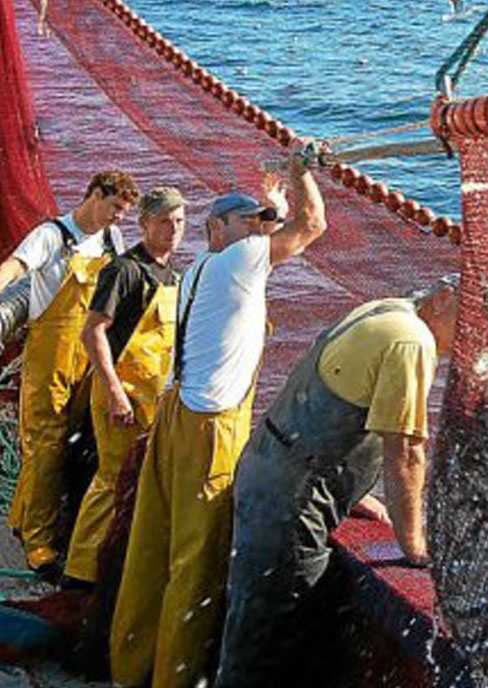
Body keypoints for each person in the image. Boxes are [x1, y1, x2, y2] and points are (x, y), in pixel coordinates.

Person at [109, 145, 326, 688]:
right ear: (217, 228)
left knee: (150, 545)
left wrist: (268, 203)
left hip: (174, 416)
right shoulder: (240, 259)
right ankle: (174, 680)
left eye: (259, 223)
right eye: (248, 222)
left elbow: (277, 229)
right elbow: (313, 225)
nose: (259, 230)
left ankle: (127, 666)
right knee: (196, 558)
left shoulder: (201, 268)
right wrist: (299, 176)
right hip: (210, 425)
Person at [213, 274, 460, 688]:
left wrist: (351, 490)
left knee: (249, 618)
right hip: (292, 498)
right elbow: (406, 452)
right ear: (443, 298)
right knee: (274, 631)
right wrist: (413, 542)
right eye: (466, 319)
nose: (467, 336)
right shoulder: (411, 341)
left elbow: (330, 397)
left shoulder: (383, 310)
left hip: (268, 468)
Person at [0, 169, 139, 580]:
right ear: (94, 194)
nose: (118, 219)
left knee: (73, 440)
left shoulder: (111, 241)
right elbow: (8, 272)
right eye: (115, 208)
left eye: (124, 213)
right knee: (45, 447)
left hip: (87, 356)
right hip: (49, 358)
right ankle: (38, 544)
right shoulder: (50, 237)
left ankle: (22, 517)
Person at [63, 185, 187, 588]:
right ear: (145, 224)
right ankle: (79, 574)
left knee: (143, 484)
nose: (173, 230)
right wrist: (115, 392)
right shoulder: (125, 270)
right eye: (164, 222)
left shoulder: (174, 274)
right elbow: (92, 332)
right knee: (112, 479)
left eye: (180, 222)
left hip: (154, 395)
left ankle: (120, 565)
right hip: (120, 393)